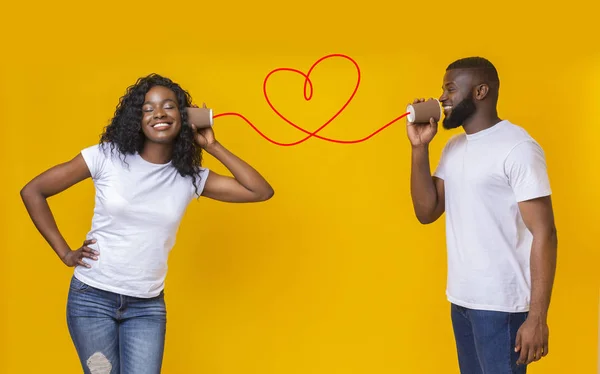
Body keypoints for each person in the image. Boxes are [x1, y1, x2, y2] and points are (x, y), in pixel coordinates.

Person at [20, 73, 274, 374]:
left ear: (184, 117)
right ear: (136, 119)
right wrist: (65, 253)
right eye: (148, 108)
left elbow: (260, 191)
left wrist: (213, 146)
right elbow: (33, 191)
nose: (159, 114)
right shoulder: (105, 157)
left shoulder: (189, 176)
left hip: (147, 306)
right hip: (92, 299)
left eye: (169, 106)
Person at [406, 57, 557, 373]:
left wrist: (537, 318)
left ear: (480, 91)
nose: (442, 98)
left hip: (501, 307)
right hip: (462, 301)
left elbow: (545, 233)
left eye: (450, 88)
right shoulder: (455, 146)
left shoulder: (517, 148)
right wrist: (419, 148)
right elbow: (426, 211)